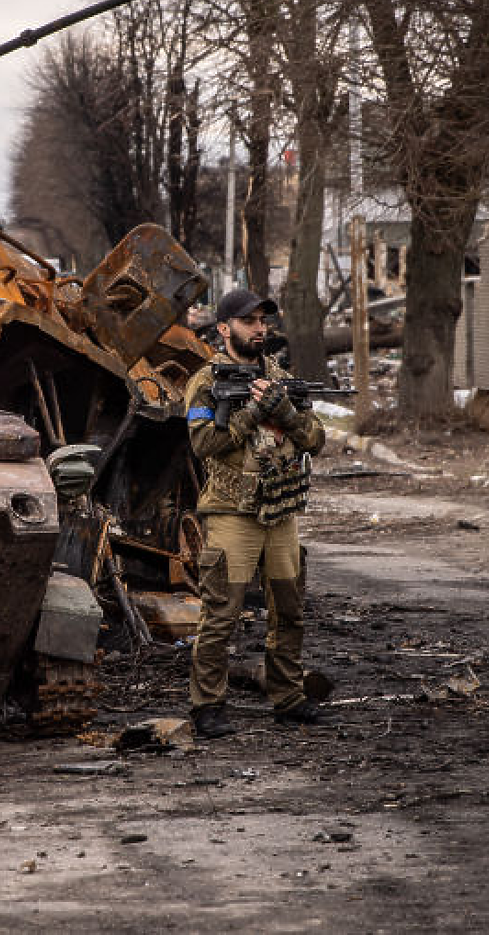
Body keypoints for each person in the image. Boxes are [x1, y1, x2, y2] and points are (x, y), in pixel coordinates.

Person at [184, 288, 332, 739]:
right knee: (221, 614)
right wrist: (251, 413)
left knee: (288, 611)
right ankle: (207, 706)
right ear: (225, 329)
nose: (260, 329)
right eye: (250, 322)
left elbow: (316, 440)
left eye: (263, 321)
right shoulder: (206, 382)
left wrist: (286, 413)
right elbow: (203, 443)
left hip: (281, 513)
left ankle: (288, 698)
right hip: (232, 513)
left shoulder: (282, 379)